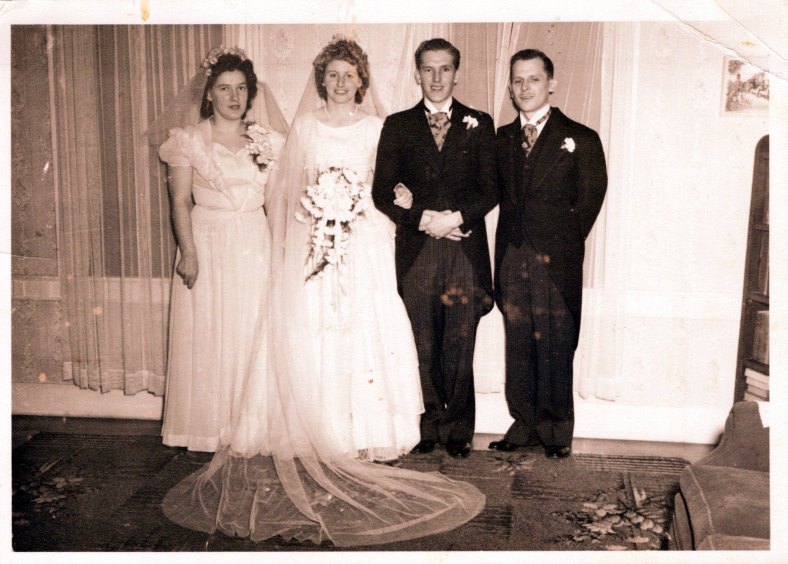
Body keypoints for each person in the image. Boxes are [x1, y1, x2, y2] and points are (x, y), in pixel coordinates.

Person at [160, 37, 485, 547]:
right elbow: (287, 186)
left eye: (348, 75)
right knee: (314, 327)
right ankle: (317, 429)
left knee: (363, 325)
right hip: (315, 234)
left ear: (361, 80)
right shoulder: (307, 127)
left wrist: (389, 202)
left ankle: (366, 431)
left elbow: (390, 184)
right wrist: (316, 217)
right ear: (321, 81)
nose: (340, 84)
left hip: (365, 235)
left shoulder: (378, 127)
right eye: (331, 75)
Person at [372, 38, 497, 459]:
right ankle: (426, 427)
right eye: (429, 69)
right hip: (419, 252)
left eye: (445, 69)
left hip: (463, 250)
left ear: (456, 74)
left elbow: (490, 190)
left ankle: (458, 429)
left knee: (460, 342)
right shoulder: (398, 125)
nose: (437, 77)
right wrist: (424, 219)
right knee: (421, 342)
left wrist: (455, 218)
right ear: (417, 73)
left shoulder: (480, 123)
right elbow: (381, 193)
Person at [158, 47, 284, 452]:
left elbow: (275, 203)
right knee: (210, 332)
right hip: (207, 240)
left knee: (251, 329)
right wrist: (189, 253)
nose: (234, 97)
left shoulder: (268, 140)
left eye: (241, 88)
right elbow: (180, 202)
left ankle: (250, 427)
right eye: (225, 88)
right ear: (209, 93)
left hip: (254, 239)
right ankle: (209, 429)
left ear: (251, 93)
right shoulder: (187, 141)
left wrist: (280, 254)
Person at [490, 49, 607, 459]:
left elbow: (590, 200)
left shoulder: (581, 138)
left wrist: (560, 242)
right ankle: (523, 425)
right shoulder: (501, 139)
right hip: (511, 257)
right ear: (510, 88)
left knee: (556, 344)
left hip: (555, 262)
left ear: (551, 84)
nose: (525, 87)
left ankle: (556, 431)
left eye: (534, 79)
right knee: (519, 344)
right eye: (518, 80)